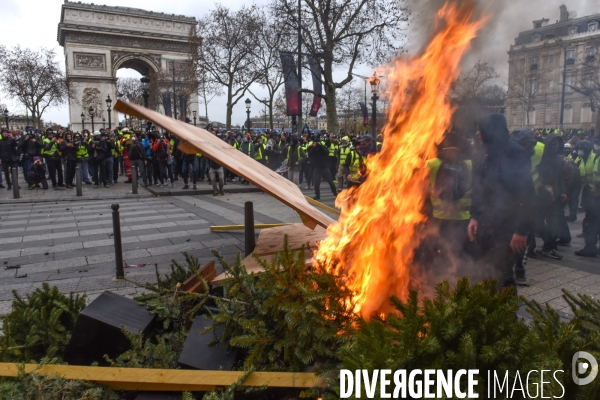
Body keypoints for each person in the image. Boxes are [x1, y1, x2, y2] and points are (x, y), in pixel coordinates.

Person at [468, 113, 535, 290]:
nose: (477, 134)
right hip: (486, 227)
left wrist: (521, 231)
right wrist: (474, 216)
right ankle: (486, 314)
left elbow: (527, 196)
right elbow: (479, 189)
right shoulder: (485, 155)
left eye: (480, 130)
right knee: (484, 273)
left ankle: (507, 316)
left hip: (506, 229)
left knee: (502, 275)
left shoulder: (515, 154)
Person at [575, 139, 600, 256]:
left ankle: (590, 248)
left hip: (596, 194)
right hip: (591, 193)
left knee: (592, 223)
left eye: (581, 149)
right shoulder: (583, 159)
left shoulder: (595, 158)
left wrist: (597, 187)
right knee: (592, 221)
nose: (579, 151)